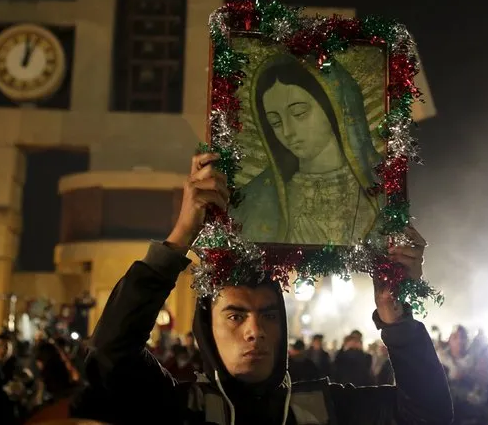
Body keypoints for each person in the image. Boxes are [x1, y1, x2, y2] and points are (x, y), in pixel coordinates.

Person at [71, 153, 453, 424]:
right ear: (207, 326)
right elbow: (109, 356)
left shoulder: (326, 408)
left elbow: (427, 414)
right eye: (236, 316)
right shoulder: (180, 408)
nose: (255, 330)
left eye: (268, 315)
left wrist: (396, 318)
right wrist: (180, 237)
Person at [231, 54, 382, 246]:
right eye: (275, 123)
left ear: (333, 107)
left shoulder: (383, 189)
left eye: (299, 113)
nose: (287, 131)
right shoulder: (253, 200)